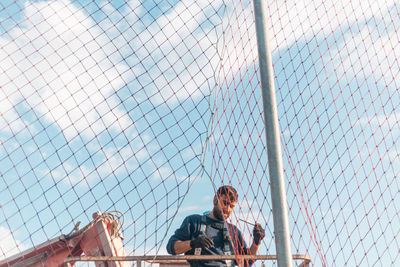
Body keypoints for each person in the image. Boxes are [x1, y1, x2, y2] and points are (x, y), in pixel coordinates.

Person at [166, 185, 265, 267]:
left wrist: (256, 243)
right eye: (225, 203)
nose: (228, 209)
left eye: (232, 206)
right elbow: (171, 247)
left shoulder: (234, 231)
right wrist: (193, 243)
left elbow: (247, 262)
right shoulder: (194, 222)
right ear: (215, 200)